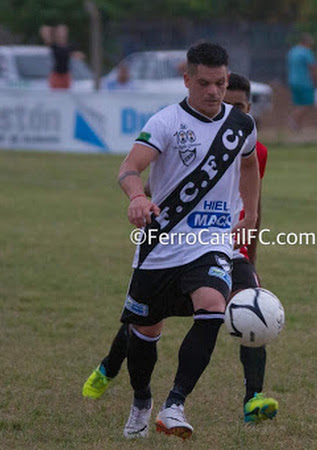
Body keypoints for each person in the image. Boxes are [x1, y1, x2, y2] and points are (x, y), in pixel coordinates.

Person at [82, 72, 278, 427]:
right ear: (189, 81)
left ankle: (191, 403)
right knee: (142, 328)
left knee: (232, 305)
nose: (217, 94)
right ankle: (133, 390)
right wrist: (138, 196)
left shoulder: (246, 133)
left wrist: (250, 217)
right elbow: (130, 168)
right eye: (208, 84)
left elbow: (250, 172)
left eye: (225, 90)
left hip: (217, 242)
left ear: (247, 107)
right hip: (163, 243)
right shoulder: (167, 122)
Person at [286, 33, 317, 131]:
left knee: (298, 103)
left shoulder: (292, 51)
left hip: (292, 80)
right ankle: (293, 118)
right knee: (307, 104)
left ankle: (297, 126)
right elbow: (312, 67)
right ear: (307, 42)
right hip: (304, 81)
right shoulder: (306, 52)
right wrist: (315, 80)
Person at [39, 24, 82, 89]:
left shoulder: (70, 46)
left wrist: (76, 55)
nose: (62, 33)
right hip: (56, 75)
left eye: (64, 31)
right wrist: (51, 29)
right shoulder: (54, 45)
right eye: (60, 31)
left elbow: (78, 55)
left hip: (66, 75)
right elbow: (44, 31)